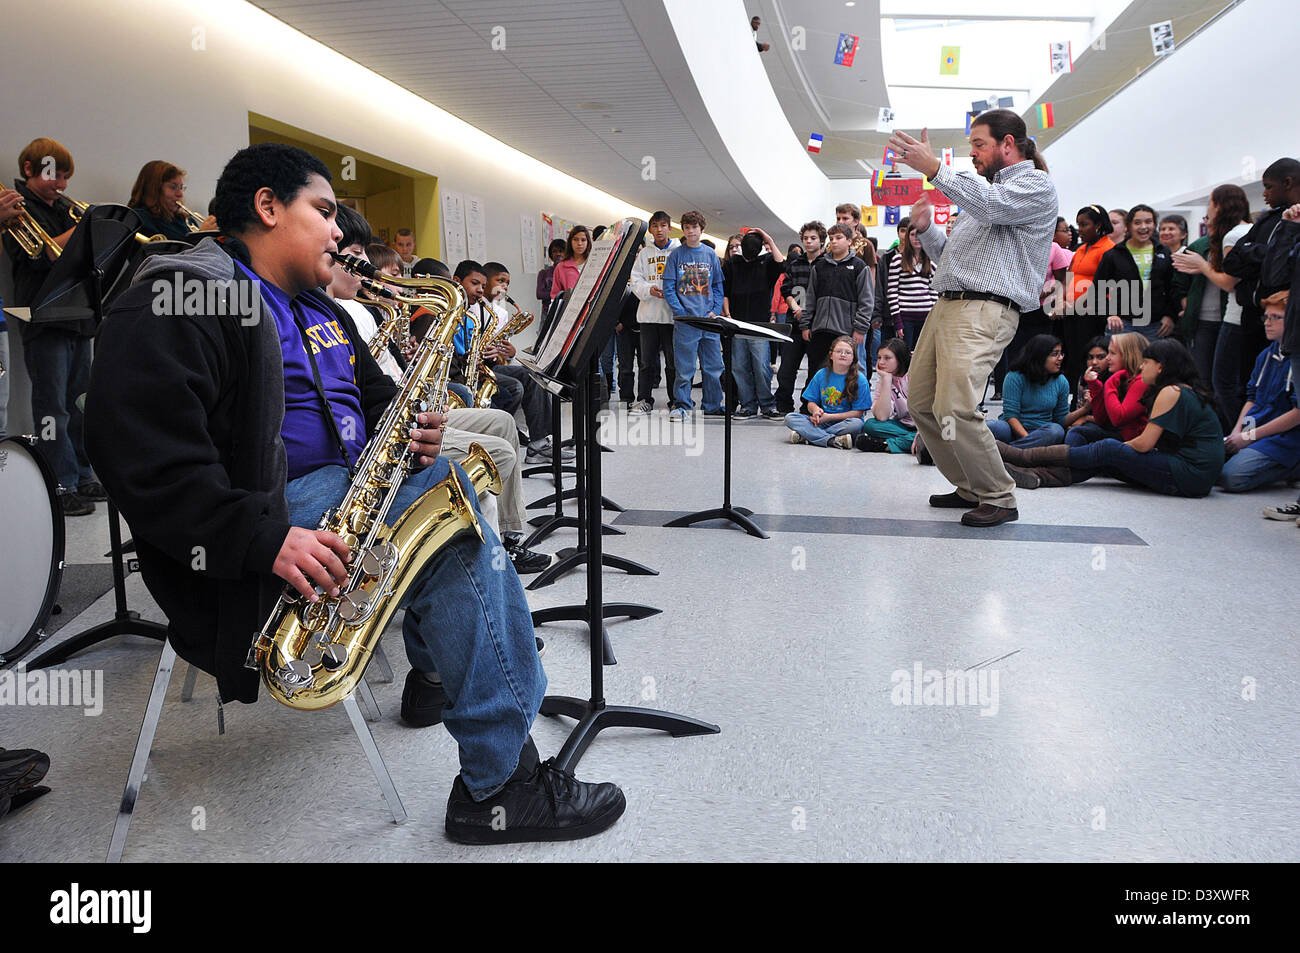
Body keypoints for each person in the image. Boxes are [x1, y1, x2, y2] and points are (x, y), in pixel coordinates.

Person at [83, 143, 624, 842]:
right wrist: (262, 535)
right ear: (268, 207)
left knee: (441, 488)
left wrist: (416, 431)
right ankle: (500, 784)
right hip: (255, 531)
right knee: (451, 527)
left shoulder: (319, 308)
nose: (340, 233)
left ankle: (442, 681)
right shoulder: (181, 294)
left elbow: (376, 403)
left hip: (340, 495)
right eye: (325, 210)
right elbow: (135, 454)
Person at [888, 109, 1058, 527]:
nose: (973, 154)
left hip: (986, 309)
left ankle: (999, 495)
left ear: (1008, 144)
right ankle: (970, 484)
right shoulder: (982, 196)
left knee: (956, 405)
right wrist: (927, 231)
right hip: (947, 304)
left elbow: (994, 206)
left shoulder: (1034, 185)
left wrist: (934, 169)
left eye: (979, 144)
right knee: (922, 402)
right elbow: (951, 258)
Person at [2, 137, 103, 516]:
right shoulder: (15, 208)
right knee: (52, 410)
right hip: (42, 318)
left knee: (80, 405)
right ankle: (60, 484)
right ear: (29, 170)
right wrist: (83, 232)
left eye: (65, 176)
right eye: (53, 175)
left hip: (77, 316)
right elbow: (39, 259)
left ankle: (83, 474)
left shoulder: (64, 208)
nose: (61, 185)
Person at [999, 339, 1224, 494]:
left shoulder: (1171, 391)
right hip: (1194, 477)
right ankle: (1037, 476)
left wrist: (1115, 449)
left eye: (1147, 363)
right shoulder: (1178, 389)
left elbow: (1144, 444)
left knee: (1107, 449)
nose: (1141, 367)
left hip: (1189, 474)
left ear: (1161, 368)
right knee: (1106, 455)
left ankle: (1020, 457)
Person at [1173, 185, 1251, 408]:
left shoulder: (1232, 236)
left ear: (1219, 206)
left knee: (1222, 383)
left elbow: (1229, 282)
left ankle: (1230, 436)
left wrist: (1202, 266)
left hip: (1234, 317)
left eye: (1210, 203)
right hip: (1240, 317)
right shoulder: (1250, 230)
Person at [1217, 291, 1299, 492]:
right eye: (1266, 317)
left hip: (1283, 439)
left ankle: (1294, 468)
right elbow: (1252, 398)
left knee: (1231, 477)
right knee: (1204, 461)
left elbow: (1298, 413)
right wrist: (1237, 432)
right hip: (1253, 429)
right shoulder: (1266, 354)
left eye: (1276, 318)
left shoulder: (1296, 361)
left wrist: (1250, 437)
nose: (1267, 323)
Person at [662, 209, 725, 421]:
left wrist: (715, 311)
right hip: (686, 322)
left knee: (713, 366)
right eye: (687, 228)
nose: (691, 231)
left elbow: (717, 287)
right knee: (685, 368)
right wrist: (680, 312)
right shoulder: (676, 256)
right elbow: (669, 287)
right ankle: (682, 405)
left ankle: (713, 405)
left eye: (694, 228)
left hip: (709, 320)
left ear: (701, 229)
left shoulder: (710, 255)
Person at [721, 228, 784, 418]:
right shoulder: (732, 263)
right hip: (737, 323)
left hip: (759, 324)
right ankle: (748, 405)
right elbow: (725, 290)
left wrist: (769, 239)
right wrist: (728, 313)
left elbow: (782, 264)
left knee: (761, 366)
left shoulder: (765, 263)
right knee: (739, 366)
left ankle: (767, 405)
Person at [1093, 204, 1176, 342]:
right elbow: (1097, 290)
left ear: (1154, 224)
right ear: (1128, 226)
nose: (1143, 227)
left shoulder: (1164, 252)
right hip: (1122, 324)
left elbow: (1172, 288)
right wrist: (1109, 314)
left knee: (1153, 362)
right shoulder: (1113, 255)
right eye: (1137, 223)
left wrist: (1170, 316)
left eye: (1148, 222)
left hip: (1156, 326)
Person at [802, 223, 873, 378]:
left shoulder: (860, 267)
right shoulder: (819, 267)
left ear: (849, 241)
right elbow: (810, 298)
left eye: (839, 238)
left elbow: (866, 301)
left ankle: (854, 401)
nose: (834, 241)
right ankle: (815, 402)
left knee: (850, 373)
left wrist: (860, 328)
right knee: (817, 371)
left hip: (846, 331)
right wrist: (806, 324)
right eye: (831, 238)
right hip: (820, 330)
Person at [628, 210, 677, 415]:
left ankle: (676, 400)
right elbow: (635, 281)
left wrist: (672, 291)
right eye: (655, 226)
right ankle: (644, 399)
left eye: (663, 225)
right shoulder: (644, 254)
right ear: (651, 229)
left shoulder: (678, 251)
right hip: (648, 316)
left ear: (669, 228)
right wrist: (650, 290)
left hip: (673, 317)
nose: (659, 230)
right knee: (646, 361)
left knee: (674, 363)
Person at [1061, 204, 1116, 390]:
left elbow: (1101, 286)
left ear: (1099, 225)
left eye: (1084, 224)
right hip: (1072, 313)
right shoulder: (1081, 248)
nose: (1080, 230)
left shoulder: (1109, 250)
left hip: (1092, 314)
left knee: (1087, 358)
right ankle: (1075, 399)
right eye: (1078, 225)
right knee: (1073, 358)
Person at [774, 221, 825, 413]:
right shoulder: (795, 264)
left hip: (816, 326)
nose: (809, 242)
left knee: (815, 369)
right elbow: (785, 288)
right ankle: (783, 405)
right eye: (805, 238)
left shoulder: (827, 264)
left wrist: (809, 314)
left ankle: (807, 406)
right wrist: (795, 307)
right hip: (794, 323)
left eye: (813, 238)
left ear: (821, 241)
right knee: (787, 368)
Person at [785, 335, 870, 448]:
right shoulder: (821, 374)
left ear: (854, 358)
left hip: (844, 422)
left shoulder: (860, 379)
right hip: (821, 420)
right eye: (839, 351)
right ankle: (832, 440)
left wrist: (829, 417)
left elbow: (858, 413)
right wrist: (815, 410)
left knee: (857, 424)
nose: (843, 354)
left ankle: (809, 436)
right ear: (831, 355)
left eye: (848, 353)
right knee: (790, 418)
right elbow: (810, 402)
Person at [1065, 332, 1148, 448]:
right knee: (1077, 432)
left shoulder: (1140, 380)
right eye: (1090, 357)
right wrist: (1095, 386)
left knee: (1103, 445)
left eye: (1112, 353)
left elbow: (1118, 419)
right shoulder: (1121, 377)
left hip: (1134, 443)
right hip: (1120, 436)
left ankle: (1045, 457)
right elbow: (1101, 419)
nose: (1108, 358)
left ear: (1129, 355)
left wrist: (1109, 383)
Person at [988, 335, 1068, 448]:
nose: (1060, 358)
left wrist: (1085, 409)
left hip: (1042, 432)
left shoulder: (1061, 381)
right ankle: (1025, 453)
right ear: (1040, 356)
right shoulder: (1014, 377)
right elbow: (1011, 416)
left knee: (1056, 431)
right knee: (992, 426)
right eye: (1055, 354)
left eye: (1061, 354)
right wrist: (1027, 439)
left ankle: (1010, 451)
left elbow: (1061, 418)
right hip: (1012, 429)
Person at [127, 160, 216, 240]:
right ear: (153, 189)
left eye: (181, 188)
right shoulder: (140, 219)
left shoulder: (186, 220)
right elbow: (164, 255)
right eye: (173, 187)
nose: (180, 194)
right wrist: (202, 237)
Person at [855, 338, 916, 453]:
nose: (881, 362)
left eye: (887, 358)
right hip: (902, 426)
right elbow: (882, 417)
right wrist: (887, 380)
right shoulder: (884, 377)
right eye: (879, 357)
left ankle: (885, 445)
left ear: (900, 358)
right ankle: (913, 442)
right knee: (870, 425)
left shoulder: (916, 371)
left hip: (925, 426)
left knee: (945, 434)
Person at [887, 220, 937, 350]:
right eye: (913, 234)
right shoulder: (897, 260)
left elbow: (933, 293)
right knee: (905, 354)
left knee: (922, 356)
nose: (917, 238)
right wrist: (898, 321)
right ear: (908, 237)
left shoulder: (930, 262)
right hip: (905, 318)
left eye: (920, 235)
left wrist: (933, 319)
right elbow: (892, 293)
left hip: (926, 317)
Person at [1062, 336, 1111, 433]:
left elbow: (1112, 420)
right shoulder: (1083, 378)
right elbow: (1074, 408)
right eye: (1090, 357)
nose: (1094, 362)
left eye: (1100, 357)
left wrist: (1086, 418)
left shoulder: (1114, 379)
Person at [536, 237, 566, 309]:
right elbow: (539, 294)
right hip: (547, 312)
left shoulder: (570, 273)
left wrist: (552, 293)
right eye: (554, 251)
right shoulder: (543, 273)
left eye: (561, 251)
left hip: (563, 311)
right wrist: (560, 294)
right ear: (550, 254)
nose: (558, 254)